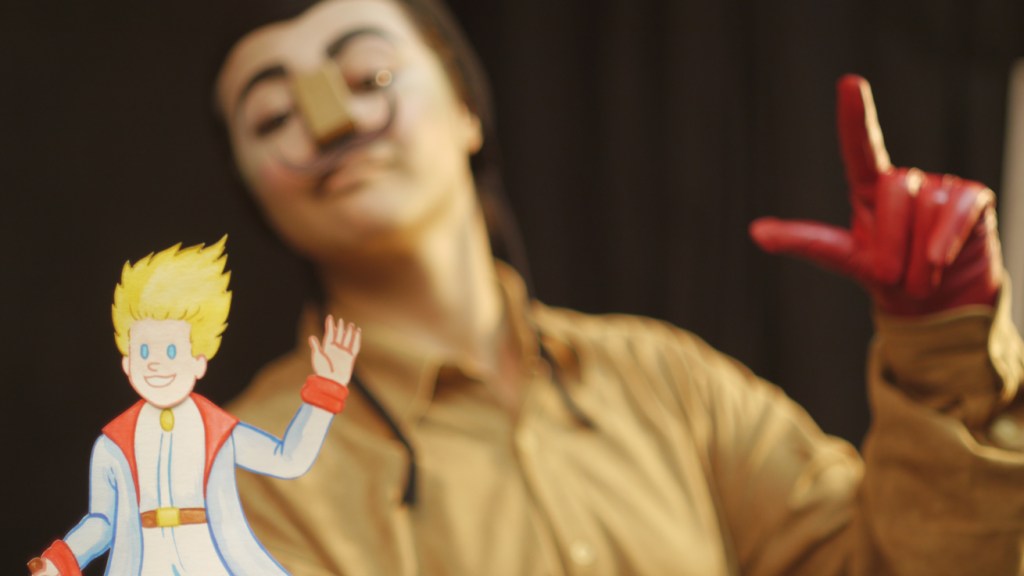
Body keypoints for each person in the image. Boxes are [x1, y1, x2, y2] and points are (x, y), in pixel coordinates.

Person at [215, 0, 1024, 574]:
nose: (330, 122)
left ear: (466, 108)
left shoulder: (665, 380)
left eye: (372, 75)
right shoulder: (247, 480)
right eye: (272, 117)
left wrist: (941, 348)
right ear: (255, 198)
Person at [28, 238, 361, 576]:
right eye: (144, 351)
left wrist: (327, 390)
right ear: (127, 363)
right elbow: (101, 522)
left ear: (199, 361)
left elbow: (287, 459)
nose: (155, 363)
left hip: (210, 559)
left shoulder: (219, 433)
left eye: (171, 351)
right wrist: (58, 563)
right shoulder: (111, 446)